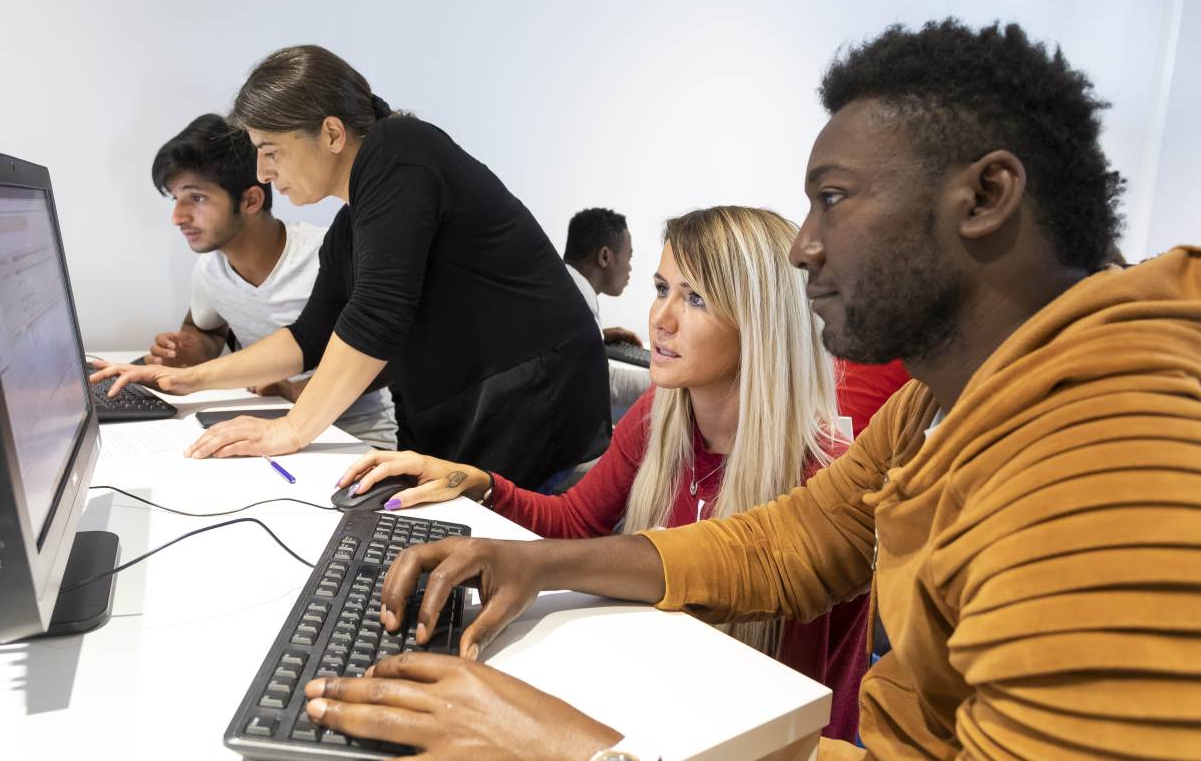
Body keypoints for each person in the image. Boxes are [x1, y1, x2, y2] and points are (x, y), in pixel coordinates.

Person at [296, 20, 1201, 759]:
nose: (805, 246)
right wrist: (539, 563)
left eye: (834, 199)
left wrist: (571, 747)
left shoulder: (1107, 463)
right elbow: (787, 544)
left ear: (987, 193)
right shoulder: (938, 405)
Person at [341, 205, 869, 740]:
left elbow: (791, 703)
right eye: (662, 288)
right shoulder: (662, 413)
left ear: (762, 323)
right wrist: (480, 483)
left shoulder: (822, 476)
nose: (661, 320)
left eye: (696, 298)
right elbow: (574, 520)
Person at [92, 47, 610, 489]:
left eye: (270, 151)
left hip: (534, 411)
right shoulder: (351, 225)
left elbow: (377, 315)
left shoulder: (402, 150)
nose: (263, 173)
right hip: (466, 415)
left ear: (332, 133)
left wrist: (290, 430)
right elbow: (309, 337)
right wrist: (189, 379)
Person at [144, 113, 396, 448]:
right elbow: (206, 328)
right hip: (268, 425)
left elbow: (388, 354)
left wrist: (297, 390)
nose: (178, 217)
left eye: (197, 198)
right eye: (176, 199)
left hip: (353, 437)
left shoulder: (326, 253)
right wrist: (188, 352)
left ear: (251, 200)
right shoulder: (210, 268)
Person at [563, 207, 649, 422]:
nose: (630, 268)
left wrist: (596, 336)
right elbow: (601, 384)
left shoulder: (561, 285)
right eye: (628, 257)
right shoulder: (577, 299)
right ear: (604, 256)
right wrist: (669, 383)